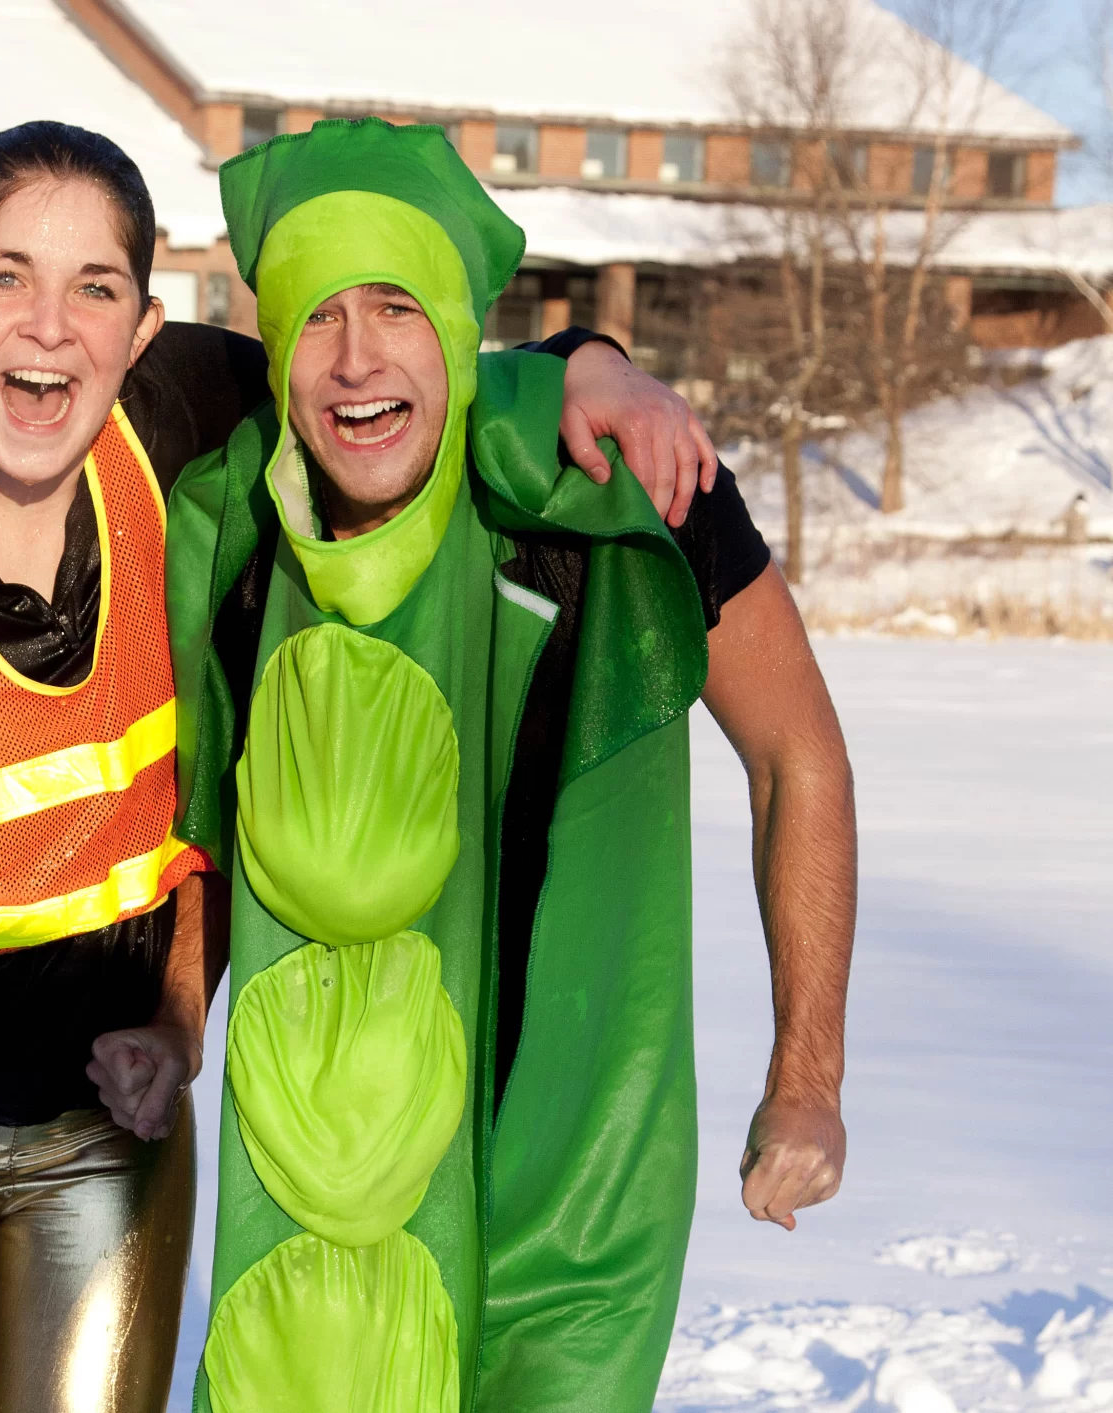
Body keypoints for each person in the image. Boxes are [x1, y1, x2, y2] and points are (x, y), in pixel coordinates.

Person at [0, 121, 725, 1413]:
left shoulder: (170, 425)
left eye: (92, 289)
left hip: (109, 1129)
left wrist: (575, 367)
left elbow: (386, 360)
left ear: (143, 328)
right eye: (2, 277)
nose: (49, 327)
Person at [167, 118, 856, 1413]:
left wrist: (805, 1082)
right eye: (315, 316)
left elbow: (794, 758)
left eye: (396, 306)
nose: (357, 358)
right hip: (340, 1178)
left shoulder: (611, 482)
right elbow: (209, 827)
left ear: (456, 324)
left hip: (573, 1169)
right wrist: (163, 1025)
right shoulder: (230, 526)